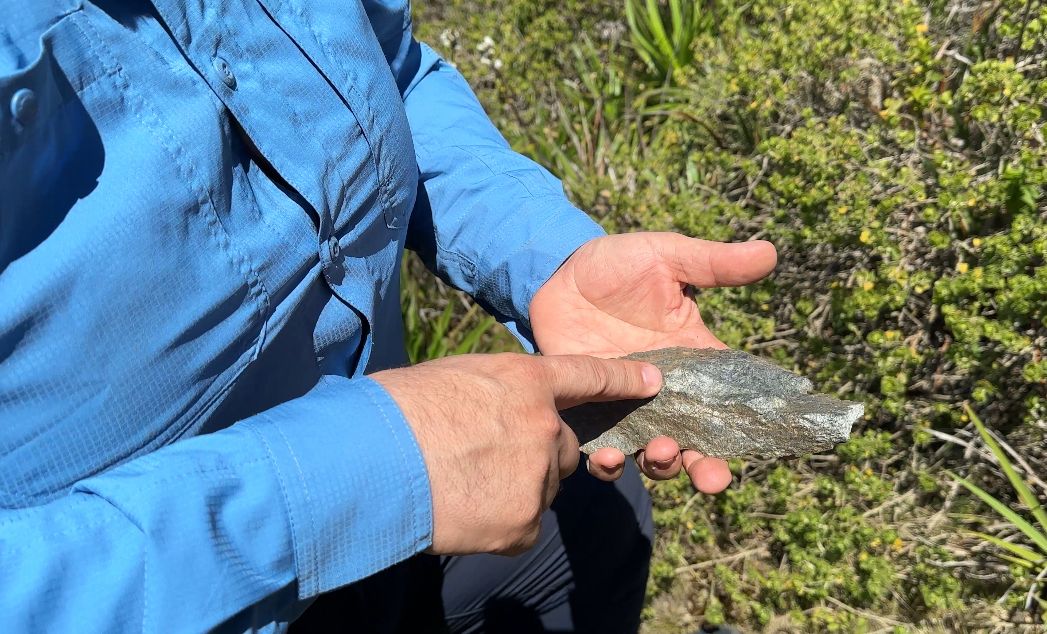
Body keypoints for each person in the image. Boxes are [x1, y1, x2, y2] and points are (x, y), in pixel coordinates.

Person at [0, 0, 777, 631]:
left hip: (408, 507)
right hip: (185, 584)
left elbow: (392, 74)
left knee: (598, 518)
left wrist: (542, 262)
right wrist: (356, 480)